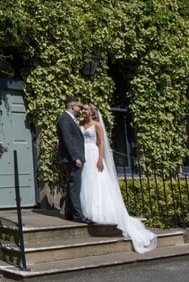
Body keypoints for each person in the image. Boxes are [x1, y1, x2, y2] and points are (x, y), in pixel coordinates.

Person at [79, 103, 157, 253]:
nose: (83, 111)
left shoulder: (96, 125)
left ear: (92, 112)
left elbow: (101, 143)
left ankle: (99, 211)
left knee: (96, 181)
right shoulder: (82, 125)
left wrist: (100, 159)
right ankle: (86, 211)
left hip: (93, 153)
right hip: (84, 154)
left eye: (86, 109)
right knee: (86, 182)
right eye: (83, 109)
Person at [56, 96, 90, 223]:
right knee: (75, 186)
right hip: (72, 158)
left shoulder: (70, 119)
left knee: (72, 185)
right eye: (78, 106)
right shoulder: (64, 119)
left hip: (74, 157)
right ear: (72, 106)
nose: (79, 109)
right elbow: (68, 140)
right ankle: (77, 215)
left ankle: (69, 213)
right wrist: (76, 157)